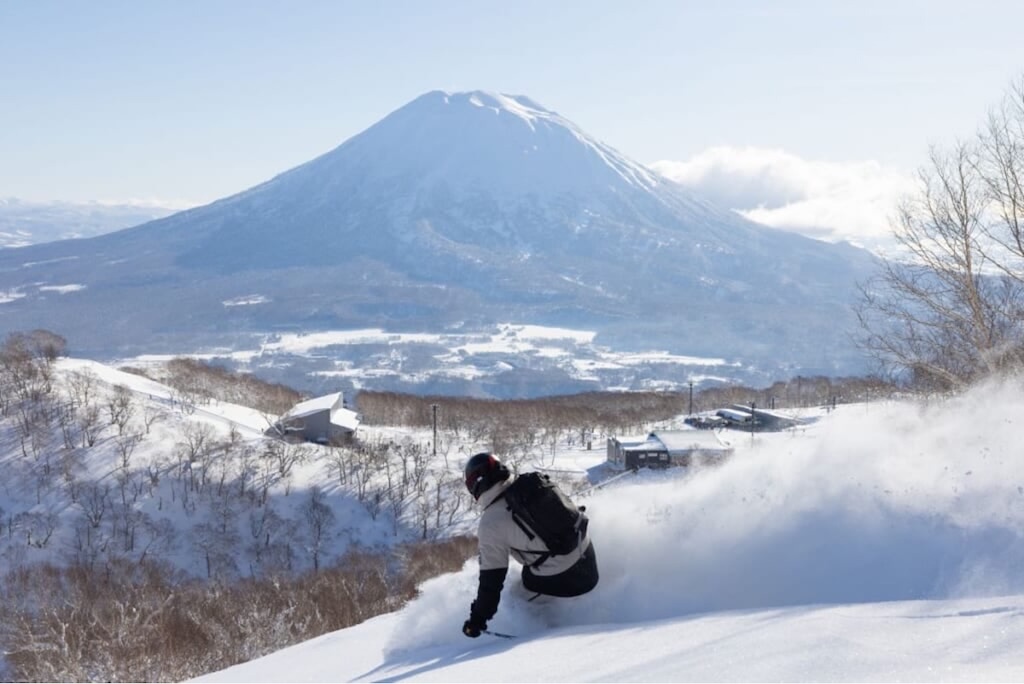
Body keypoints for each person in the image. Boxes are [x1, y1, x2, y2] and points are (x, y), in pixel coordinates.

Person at [461, 452, 599, 638]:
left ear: (476, 486)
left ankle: (544, 636)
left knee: (515, 596)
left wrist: (477, 619)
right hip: (587, 554)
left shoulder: (490, 523)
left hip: (571, 578)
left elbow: (491, 582)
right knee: (535, 568)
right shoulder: (532, 483)